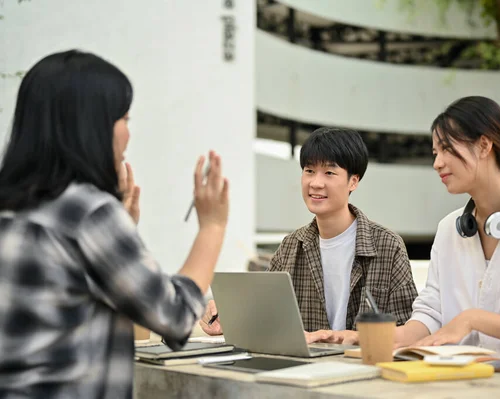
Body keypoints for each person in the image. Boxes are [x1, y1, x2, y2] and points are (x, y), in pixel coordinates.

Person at [0, 50, 230, 397]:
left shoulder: (14, 208)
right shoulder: (88, 213)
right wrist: (212, 226)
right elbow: (174, 315)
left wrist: (119, 229)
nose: (128, 135)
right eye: (123, 118)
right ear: (88, 126)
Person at [323, 96, 500, 368]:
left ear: (483, 145)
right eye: (435, 153)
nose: (437, 163)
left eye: (446, 149)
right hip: (475, 385)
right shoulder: (449, 230)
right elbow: (430, 313)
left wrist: (473, 319)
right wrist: (367, 339)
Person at [201, 127, 418, 342]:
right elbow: (266, 316)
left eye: (329, 173)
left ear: (353, 181)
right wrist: (229, 315)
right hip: (302, 369)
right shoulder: (290, 247)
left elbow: (408, 329)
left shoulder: (387, 246)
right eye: (309, 170)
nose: (315, 183)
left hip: (363, 366)